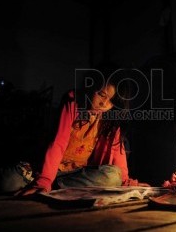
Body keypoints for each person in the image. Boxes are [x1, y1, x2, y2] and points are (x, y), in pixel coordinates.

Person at [16, 66, 149, 196]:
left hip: (77, 174)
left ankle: (53, 185)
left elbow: (117, 152)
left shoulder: (110, 119)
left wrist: (126, 182)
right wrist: (44, 179)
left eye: (112, 101)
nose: (104, 104)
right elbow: (58, 142)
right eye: (102, 95)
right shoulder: (73, 101)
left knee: (112, 176)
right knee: (7, 182)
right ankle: (48, 183)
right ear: (91, 86)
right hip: (48, 169)